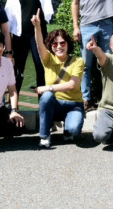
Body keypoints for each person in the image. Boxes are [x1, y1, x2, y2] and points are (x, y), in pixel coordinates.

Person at [5, 0, 73, 93]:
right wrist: (7, 44)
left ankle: (44, 103)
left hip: (39, 33)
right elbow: (8, 16)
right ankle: (13, 105)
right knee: (17, 68)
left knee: (41, 65)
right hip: (20, 35)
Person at [30, 11, 84, 148]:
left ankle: (67, 129)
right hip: (56, 104)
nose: (59, 46)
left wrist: (48, 87)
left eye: (62, 43)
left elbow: (72, 85)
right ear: (51, 47)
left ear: (68, 44)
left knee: (73, 130)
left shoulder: (78, 61)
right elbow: (39, 45)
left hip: (74, 104)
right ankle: (44, 136)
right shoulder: (48, 59)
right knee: (47, 97)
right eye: (54, 44)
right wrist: (37, 27)